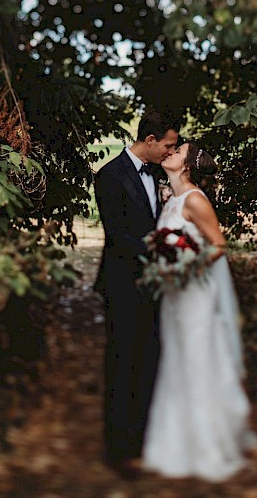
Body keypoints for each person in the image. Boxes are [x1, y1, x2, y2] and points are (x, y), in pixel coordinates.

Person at [142, 141, 257, 482]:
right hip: (173, 295)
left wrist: (186, 269)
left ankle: (206, 446)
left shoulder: (194, 200)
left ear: (187, 165)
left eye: (177, 151)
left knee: (196, 361)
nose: (170, 152)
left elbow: (218, 246)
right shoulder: (171, 198)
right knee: (175, 360)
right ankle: (175, 445)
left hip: (194, 292)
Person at [93, 109, 180, 476]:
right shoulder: (109, 176)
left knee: (149, 362)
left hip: (156, 286)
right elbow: (118, 235)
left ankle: (143, 440)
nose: (171, 152)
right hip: (123, 285)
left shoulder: (161, 174)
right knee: (122, 364)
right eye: (168, 145)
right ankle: (118, 450)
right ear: (149, 140)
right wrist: (164, 252)